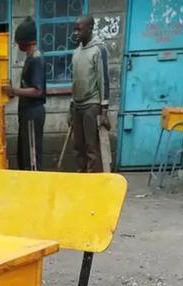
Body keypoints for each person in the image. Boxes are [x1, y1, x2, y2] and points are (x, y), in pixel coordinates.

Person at [3, 17, 46, 171]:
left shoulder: (36, 59)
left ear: (24, 42)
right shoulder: (30, 58)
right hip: (26, 114)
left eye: (18, 41)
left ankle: (35, 185)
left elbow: (38, 90)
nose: (17, 45)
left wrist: (14, 90)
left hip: (33, 114)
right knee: (23, 156)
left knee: (32, 158)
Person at [68, 15, 110, 172]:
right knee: (77, 147)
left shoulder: (99, 50)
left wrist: (104, 111)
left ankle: (93, 179)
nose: (76, 33)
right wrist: (70, 108)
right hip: (77, 105)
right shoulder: (76, 52)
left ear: (90, 28)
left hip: (92, 105)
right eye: (75, 29)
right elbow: (75, 82)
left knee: (91, 148)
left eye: (79, 29)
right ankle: (81, 177)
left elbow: (103, 80)